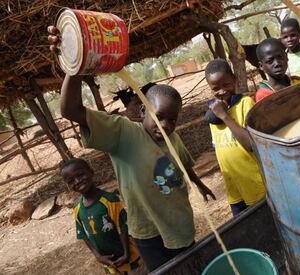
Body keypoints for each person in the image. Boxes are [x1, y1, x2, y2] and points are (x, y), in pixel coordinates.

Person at [48, 27, 215, 272]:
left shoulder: (173, 138)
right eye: (159, 117)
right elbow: (70, 111)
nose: (165, 125)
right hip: (148, 232)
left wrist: (200, 184)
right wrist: (74, 66)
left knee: (190, 268)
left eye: (172, 119)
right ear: (142, 112)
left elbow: (184, 165)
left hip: (180, 223)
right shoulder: (123, 134)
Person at [205, 58, 266, 216]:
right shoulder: (214, 113)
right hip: (234, 189)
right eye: (216, 88)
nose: (222, 91)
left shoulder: (245, 104)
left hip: (255, 185)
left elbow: (251, 145)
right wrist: (219, 114)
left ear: (234, 79)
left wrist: (225, 116)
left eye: (226, 85)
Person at [60, 158, 141, 274]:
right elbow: (82, 233)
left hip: (129, 258)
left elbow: (123, 227)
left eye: (80, 175)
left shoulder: (110, 200)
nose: (77, 181)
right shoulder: (77, 207)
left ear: (91, 172)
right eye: (71, 181)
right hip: (109, 264)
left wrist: (126, 254)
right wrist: (98, 256)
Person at [255, 38, 300, 102]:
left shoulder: (297, 82)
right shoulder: (263, 95)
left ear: (286, 57)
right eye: (270, 61)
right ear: (261, 66)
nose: (277, 64)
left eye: (280, 57)